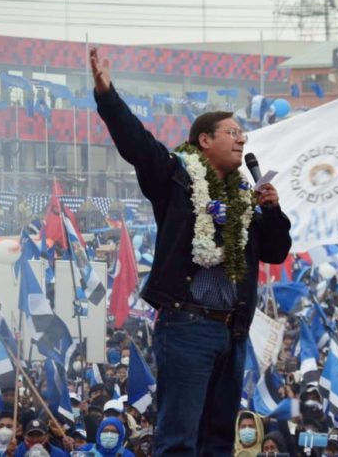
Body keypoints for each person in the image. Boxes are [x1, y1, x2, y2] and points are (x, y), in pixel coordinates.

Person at [90, 48, 291, 457]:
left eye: (242, 134)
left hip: (232, 331)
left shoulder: (243, 199)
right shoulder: (177, 180)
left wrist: (272, 211)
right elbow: (138, 144)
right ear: (205, 140)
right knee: (179, 439)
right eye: (232, 133)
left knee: (218, 441)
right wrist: (107, 95)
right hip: (187, 325)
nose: (242, 139)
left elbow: (275, 251)